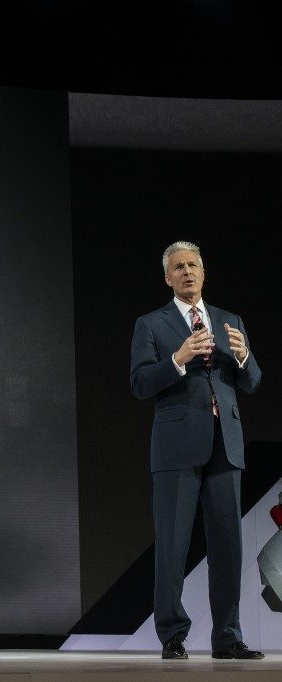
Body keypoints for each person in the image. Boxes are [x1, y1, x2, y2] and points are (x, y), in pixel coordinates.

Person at [130, 241, 262, 660]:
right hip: (176, 448)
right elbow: (139, 383)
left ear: (204, 273)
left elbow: (253, 381)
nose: (187, 272)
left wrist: (244, 358)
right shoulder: (151, 324)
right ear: (167, 278)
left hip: (227, 443)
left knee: (227, 544)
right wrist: (177, 359)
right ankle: (172, 634)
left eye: (193, 265)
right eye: (178, 267)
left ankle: (227, 636)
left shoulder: (229, 320)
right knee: (172, 544)